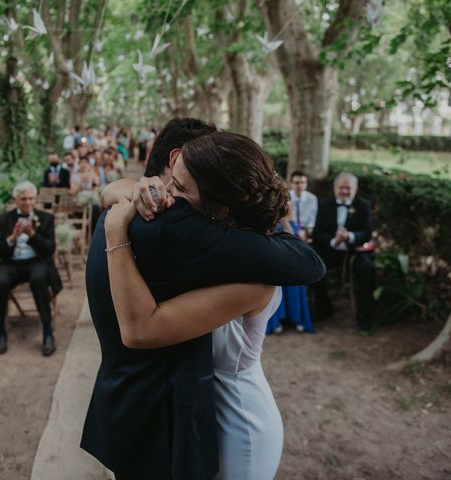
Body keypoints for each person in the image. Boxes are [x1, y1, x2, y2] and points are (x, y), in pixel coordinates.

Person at [81, 118, 326, 480]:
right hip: (181, 411)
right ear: (176, 156)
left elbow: (309, 263)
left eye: (180, 187)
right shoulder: (172, 222)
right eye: (173, 180)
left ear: (220, 208)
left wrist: (119, 213)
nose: (169, 194)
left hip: (232, 412)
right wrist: (127, 189)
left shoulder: (192, 235)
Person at [0, 181, 62, 356]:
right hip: (11, 263)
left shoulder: (46, 218)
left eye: (31, 198)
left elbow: (49, 249)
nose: (28, 203)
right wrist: (12, 237)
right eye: (23, 199)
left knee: (39, 280)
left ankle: (47, 331)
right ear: (16, 200)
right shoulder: (5, 218)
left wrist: (32, 235)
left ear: (35, 199)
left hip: (36, 261)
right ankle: (0, 332)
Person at [312, 172, 375, 331]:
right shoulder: (324, 204)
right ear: (335, 188)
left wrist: (350, 236)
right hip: (331, 250)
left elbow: (367, 232)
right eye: (342, 188)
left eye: (348, 188)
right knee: (312, 267)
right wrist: (334, 241)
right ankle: (324, 307)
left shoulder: (363, 205)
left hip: (355, 251)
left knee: (366, 269)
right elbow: (318, 232)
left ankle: (364, 314)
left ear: (355, 189)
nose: (345, 192)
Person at [267, 205, 314, 335]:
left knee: (297, 283)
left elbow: (298, 244)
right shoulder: (270, 225)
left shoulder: (294, 224)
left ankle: (297, 319)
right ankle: (277, 321)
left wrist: (287, 222)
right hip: (276, 265)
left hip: (292, 266)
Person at [289, 170, 318, 240]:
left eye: (302, 182)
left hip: (306, 231)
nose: (300, 185)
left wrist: (306, 232)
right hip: (290, 230)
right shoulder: (287, 197)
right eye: (296, 183)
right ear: (291, 184)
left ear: (306, 184)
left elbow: (312, 219)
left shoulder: (312, 198)